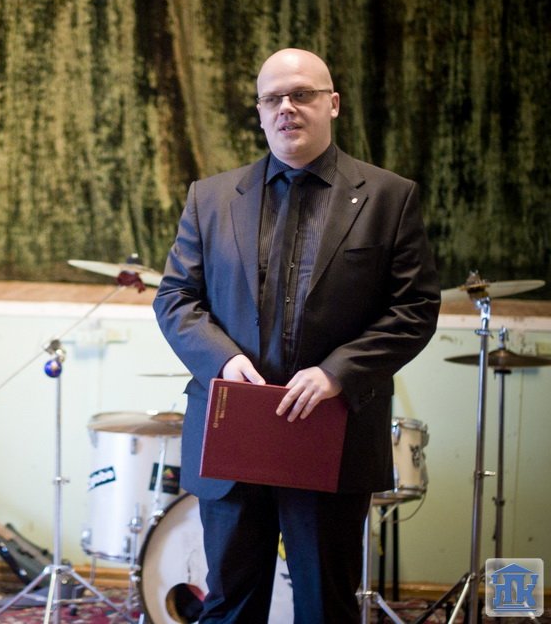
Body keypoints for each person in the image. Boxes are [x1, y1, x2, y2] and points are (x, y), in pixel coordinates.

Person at [152, 48, 441, 622]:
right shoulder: (211, 197)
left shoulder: (389, 197)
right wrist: (222, 361)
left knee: (325, 606)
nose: (286, 107)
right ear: (260, 113)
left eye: (302, 94)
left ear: (332, 104)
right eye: (272, 98)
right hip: (233, 431)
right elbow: (175, 297)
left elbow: (414, 308)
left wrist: (337, 373)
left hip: (330, 431)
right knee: (229, 605)